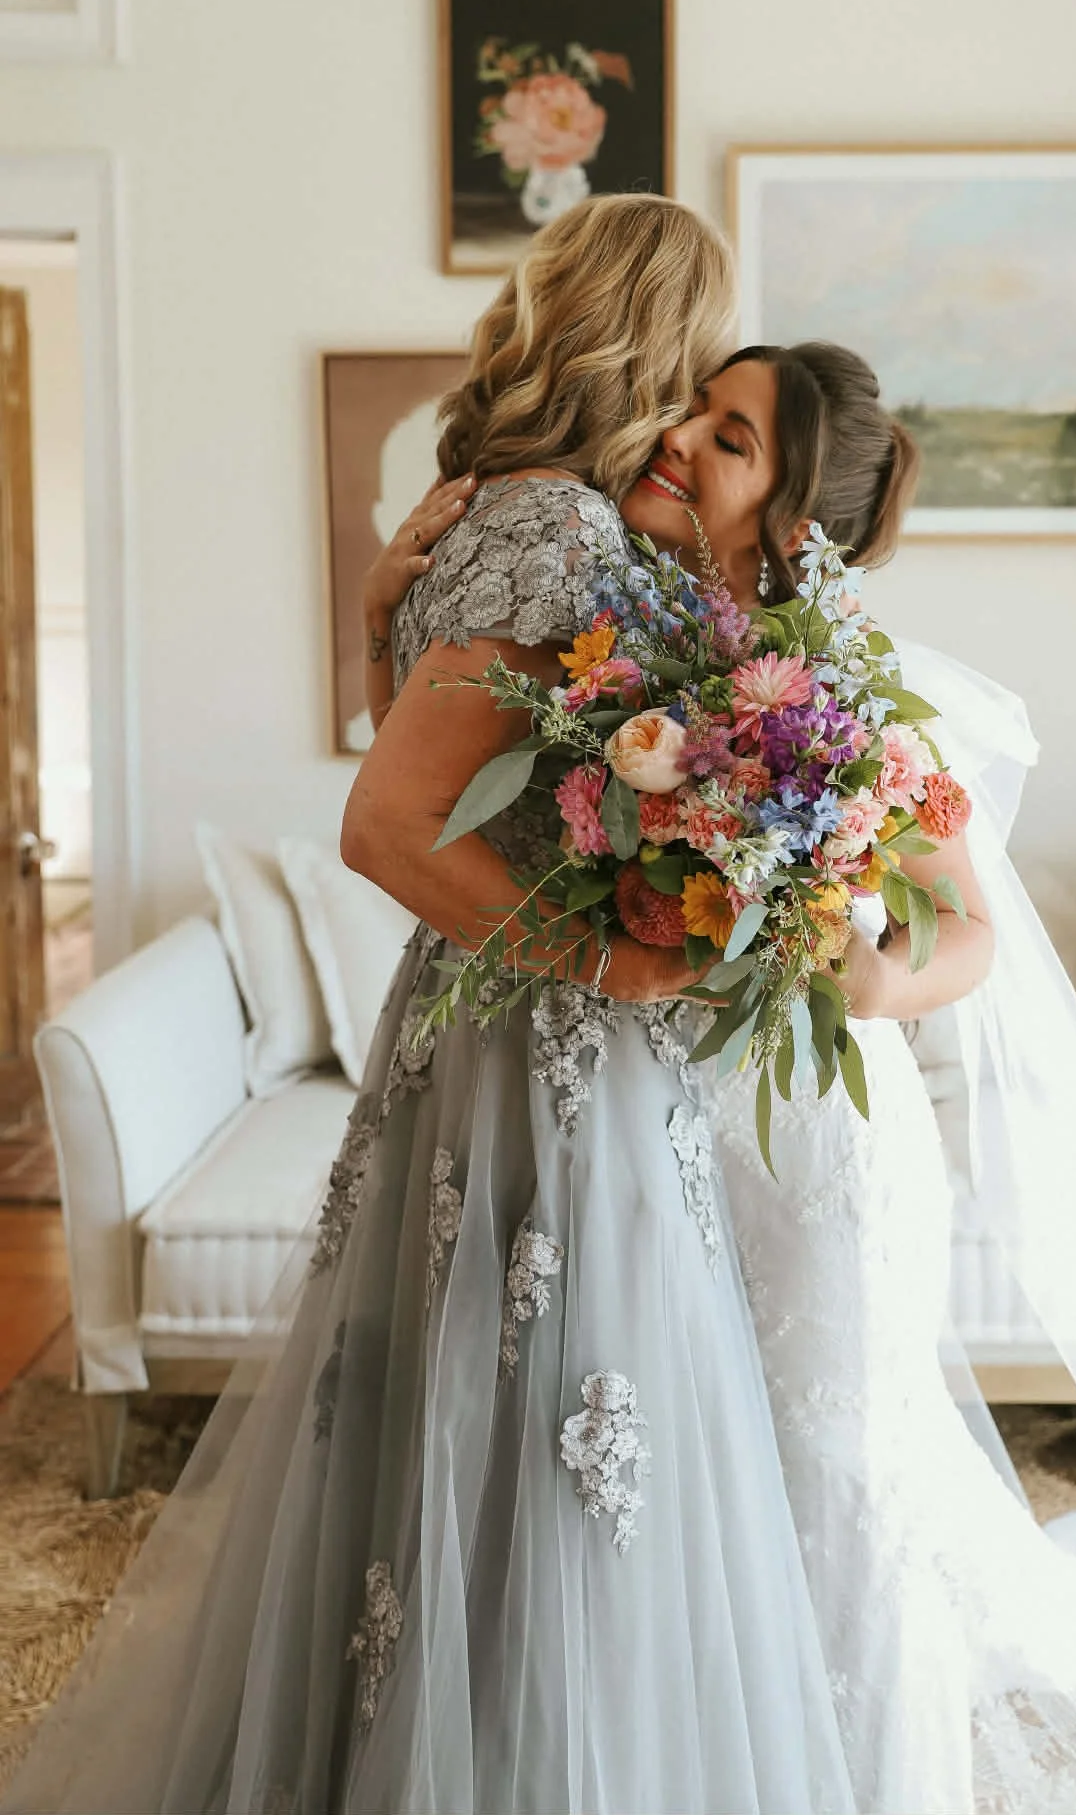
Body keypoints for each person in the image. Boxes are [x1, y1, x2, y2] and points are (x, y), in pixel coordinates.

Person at [367, 335, 1076, 1814]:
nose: (683, 440)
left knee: (829, 1487)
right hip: (654, 1135)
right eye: (696, 410)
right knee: (679, 1499)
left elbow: (966, 930)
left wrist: (881, 977)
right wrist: (396, 593)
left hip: (816, 1151)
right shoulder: (607, 657)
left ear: (787, 521)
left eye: (732, 436)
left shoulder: (847, 694)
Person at [0, 196, 876, 1815]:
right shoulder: (563, 538)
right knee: (565, 1427)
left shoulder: (480, 510)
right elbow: (388, 825)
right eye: (698, 370)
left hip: (473, 1027)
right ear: (654, 342)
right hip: (543, 1049)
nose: (696, 415)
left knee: (478, 1424)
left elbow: (416, 740)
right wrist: (617, 964)